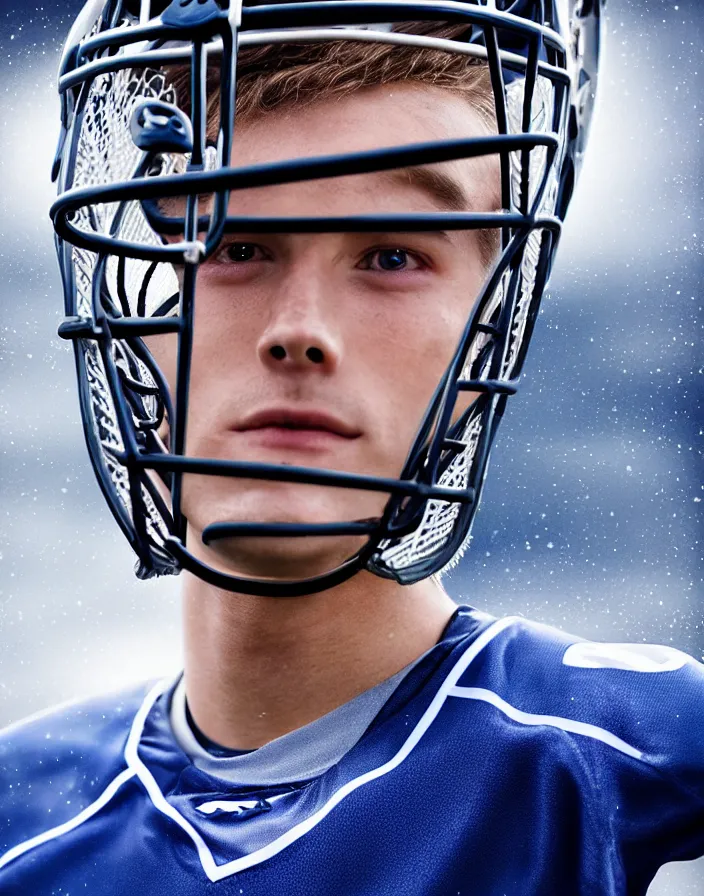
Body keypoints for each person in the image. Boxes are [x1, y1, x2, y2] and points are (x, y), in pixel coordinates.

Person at [1, 1, 702, 893]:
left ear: (485, 331)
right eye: (236, 243)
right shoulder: (21, 815)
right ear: (135, 326)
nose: (301, 332)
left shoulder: (637, 748)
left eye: (392, 256)